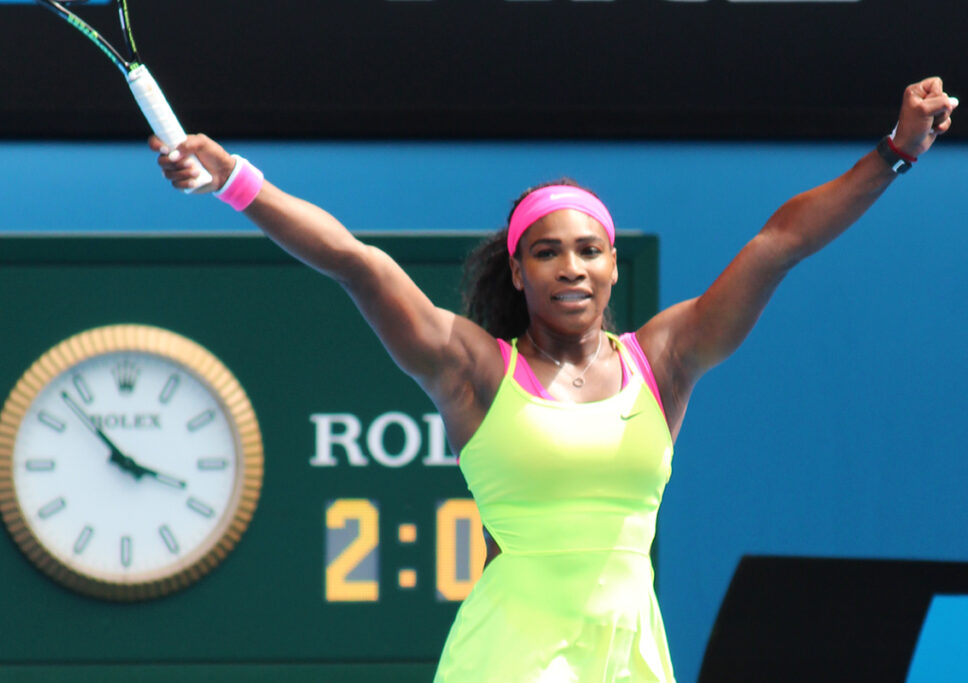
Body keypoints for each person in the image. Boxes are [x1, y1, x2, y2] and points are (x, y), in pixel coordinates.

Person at [152, 77, 956, 682]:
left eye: (587, 249)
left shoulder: (665, 358)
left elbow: (779, 242)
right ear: (520, 271)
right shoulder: (474, 370)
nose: (569, 266)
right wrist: (233, 181)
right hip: (511, 655)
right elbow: (355, 263)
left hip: (632, 651)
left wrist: (893, 153)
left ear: (611, 266)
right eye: (546, 251)